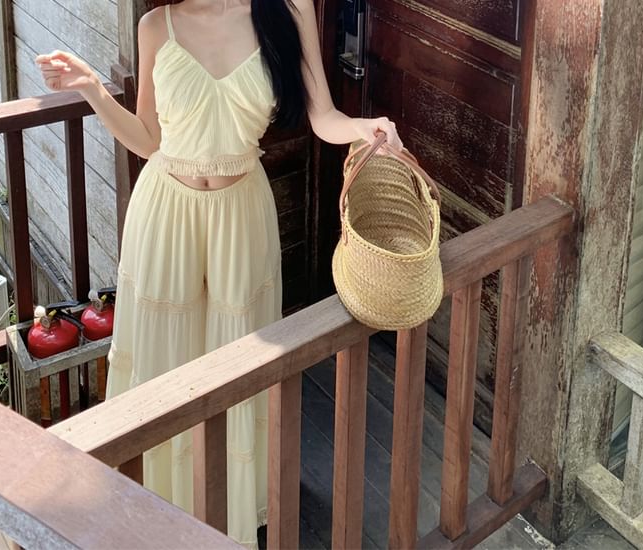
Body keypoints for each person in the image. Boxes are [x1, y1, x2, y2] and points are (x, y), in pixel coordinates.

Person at [35, 0, 402, 547]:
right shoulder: (157, 25)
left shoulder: (288, 9)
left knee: (239, 362)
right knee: (161, 362)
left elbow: (323, 116)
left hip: (240, 217)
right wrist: (92, 87)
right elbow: (148, 139)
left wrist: (363, 128)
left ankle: (229, 510)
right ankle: (157, 510)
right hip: (165, 214)